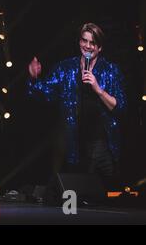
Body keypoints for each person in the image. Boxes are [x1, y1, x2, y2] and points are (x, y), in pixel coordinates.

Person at [27, 23, 126, 186]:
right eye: (84, 40)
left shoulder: (110, 70)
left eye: (92, 43)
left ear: (99, 48)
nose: (87, 46)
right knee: (73, 194)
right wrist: (33, 78)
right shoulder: (65, 68)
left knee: (105, 192)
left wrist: (98, 89)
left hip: (100, 142)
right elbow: (46, 94)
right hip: (71, 141)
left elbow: (120, 107)